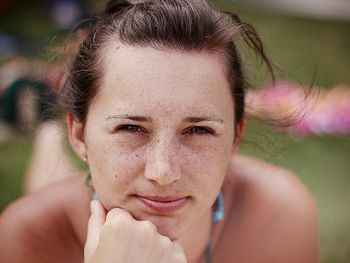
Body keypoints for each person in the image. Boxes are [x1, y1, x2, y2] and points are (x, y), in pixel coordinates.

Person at [0, 0, 319, 262]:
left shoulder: (280, 217)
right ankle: (47, 132)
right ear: (80, 135)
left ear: (235, 137)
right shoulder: (24, 238)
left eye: (198, 130)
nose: (162, 172)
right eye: (130, 127)